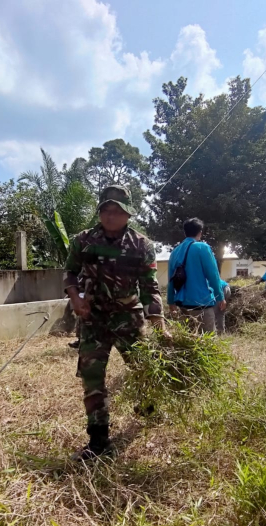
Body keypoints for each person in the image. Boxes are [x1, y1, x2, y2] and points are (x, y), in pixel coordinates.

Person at [64, 185, 166, 461]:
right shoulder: (83, 240)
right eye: (105, 210)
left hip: (128, 319)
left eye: (117, 211)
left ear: (128, 214)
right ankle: (98, 440)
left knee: (142, 368)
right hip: (92, 319)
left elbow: (149, 286)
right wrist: (75, 298)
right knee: (92, 378)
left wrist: (159, 322)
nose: (110, 216)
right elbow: (70, 273)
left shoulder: (141, 245)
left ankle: (147, 407)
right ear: (99, 212)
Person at [166, 218, 226, 333]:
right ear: (200, 232)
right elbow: (213, 275)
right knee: (208, 342)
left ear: (185, 232)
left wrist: (170, 301)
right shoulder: (202, 248)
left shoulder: (175, 251)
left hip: (182, 304)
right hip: (201, 303)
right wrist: (220, 297)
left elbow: (171, 279)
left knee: (190, 342)